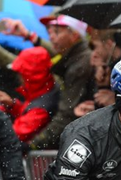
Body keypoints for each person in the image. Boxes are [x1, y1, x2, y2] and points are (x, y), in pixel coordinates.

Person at [30, 15, 93, 150]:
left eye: (57, 32)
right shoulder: (73, 60)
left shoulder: (79, 65)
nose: (51, 37)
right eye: (50, 32)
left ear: (75, 35)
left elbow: (67, 113)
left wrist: (36, 143)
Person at [0, 46, 59, 146]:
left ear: (30, 76)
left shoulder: (42, 108)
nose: (19, 77)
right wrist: (12, 105)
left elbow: (11, 135)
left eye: (21, 73)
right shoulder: (44, 91)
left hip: (40, 160)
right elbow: (29, 111)